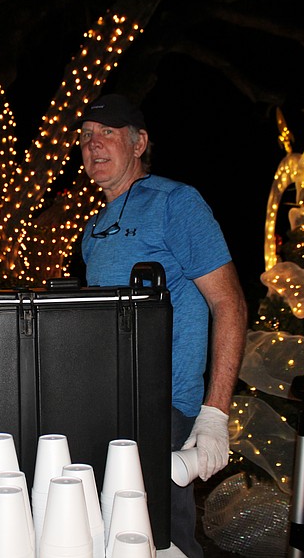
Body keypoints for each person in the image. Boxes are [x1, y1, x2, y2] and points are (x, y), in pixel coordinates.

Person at [73, 94, 247, 558]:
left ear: (139, 143)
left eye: (109, 132)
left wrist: (215, 415)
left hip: (164, 409)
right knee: (109, 534)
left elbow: (229, 304)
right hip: (108, 404)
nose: (95, 144)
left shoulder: (177, 202)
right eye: (87, 136)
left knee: (164, 538)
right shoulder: (92, 230)